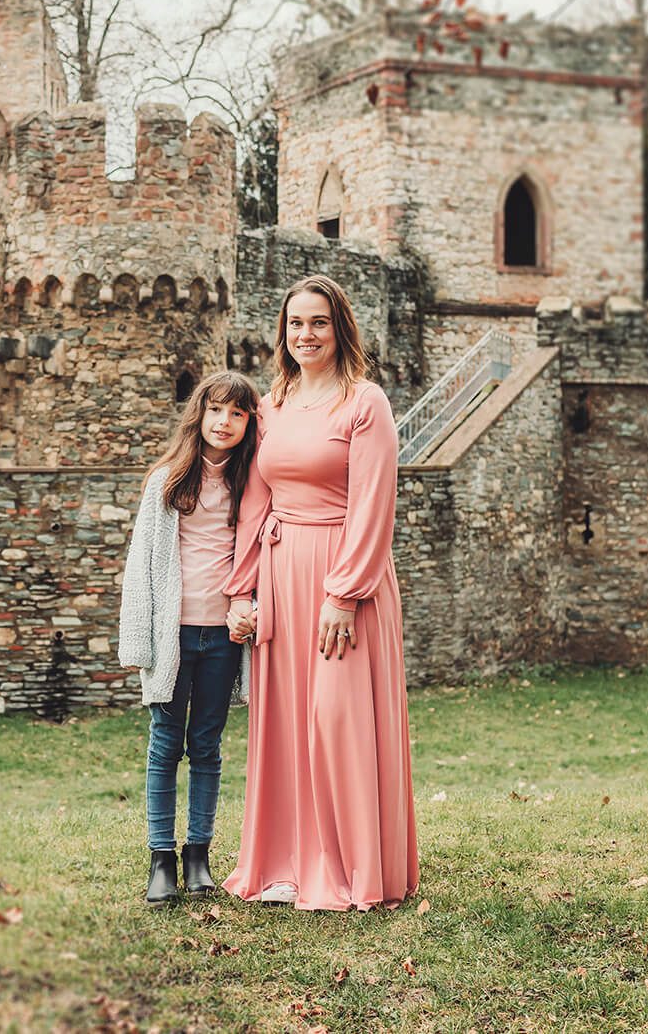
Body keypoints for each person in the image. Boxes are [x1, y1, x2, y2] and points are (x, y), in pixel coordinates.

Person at [221, 275, 418, 911]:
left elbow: (373, 504)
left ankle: (353, 868)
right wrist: (241, 589)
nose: (305, 335)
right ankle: (285, 864)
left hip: (343, 579)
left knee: (338, 720)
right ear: (282, 333)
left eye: (318, 323)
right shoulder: (271, 405)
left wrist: (345, 592)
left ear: (341, 330)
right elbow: (255, 500)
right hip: (281, 575)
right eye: (295, 324)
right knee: (283, 722)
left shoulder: (366, 403)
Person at [117, 370, 263, 904]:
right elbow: (141, 567)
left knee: (206, 746)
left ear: (249, 424)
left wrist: (254, 613)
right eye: (216, 410)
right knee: (164, 746)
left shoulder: (251, 484)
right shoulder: (167, 481)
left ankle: (197, 855)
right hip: (171, 635)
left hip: (223, 637)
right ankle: (161, 858)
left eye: (238, 414)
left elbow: (259, 562)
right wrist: (138, 644)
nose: (225, 422)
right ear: (199, 415)